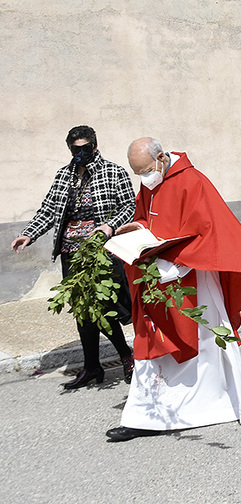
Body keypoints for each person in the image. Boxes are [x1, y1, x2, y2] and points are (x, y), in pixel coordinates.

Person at [105, 137, 241, 442]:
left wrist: (175, 264)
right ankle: (145, 415)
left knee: (204, 342)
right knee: (151, 340)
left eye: (146, 170)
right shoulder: (150, 182)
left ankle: (213, 405)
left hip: (191, 277)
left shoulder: (192, 182)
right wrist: (137, 229)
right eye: (138, 173)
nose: (145, 178)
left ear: (161, 158)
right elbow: (148, 219)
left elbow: (210, 233)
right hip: (157, 278)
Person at [10, 125, 135, 389]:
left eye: (85, 149)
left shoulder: (114, 172)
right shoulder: (64, 175)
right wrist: (29, 235)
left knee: (102, 306)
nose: (80, 154)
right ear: (70, 149)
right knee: (82, 311)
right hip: (71, 253)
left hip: (100, 252)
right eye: (75, 150)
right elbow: (48, 210)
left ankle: (126, 355)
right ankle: (92, 367)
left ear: (95, 146)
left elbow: (129, 206)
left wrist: (109, 226)